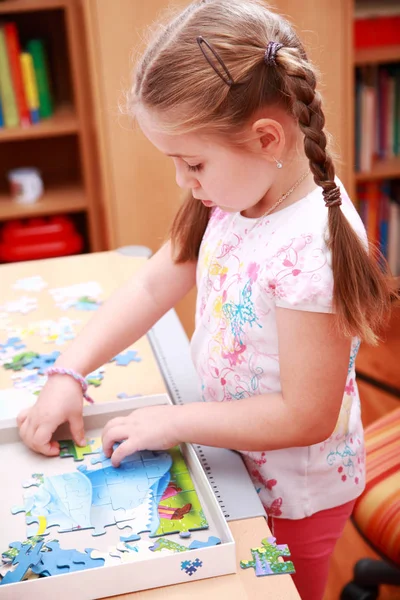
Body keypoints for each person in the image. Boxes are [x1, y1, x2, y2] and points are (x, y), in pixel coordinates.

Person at [18, 1, 394, 598]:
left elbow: (306, 415)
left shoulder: (312, 250)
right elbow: (151, 280)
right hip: (228, 453)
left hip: (293, 494)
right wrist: (70, 369)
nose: (182, 181)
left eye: (192, 162)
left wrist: (173, 422)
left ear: (267, 138)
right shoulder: (235, 188)